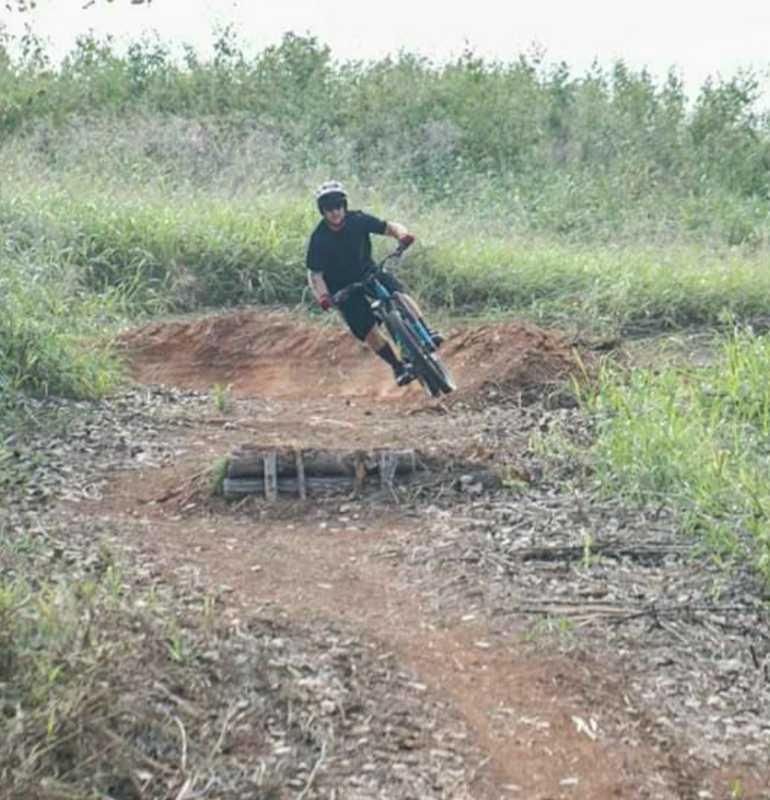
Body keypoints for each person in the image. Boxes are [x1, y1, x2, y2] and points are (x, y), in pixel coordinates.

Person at [306, 180, 441, 386]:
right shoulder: (319, 239)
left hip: (368, 272)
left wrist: (403, 236)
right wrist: (324, 297)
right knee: (368, 331)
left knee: (399, 294)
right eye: (328, 208)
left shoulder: (358, 219)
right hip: (343, 289)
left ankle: (425, 330)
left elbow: (389, 227)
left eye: (338, 206)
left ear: (344, 206)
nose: (334, 212)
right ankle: (398, 367)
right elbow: (315, 274)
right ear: (322, 211)